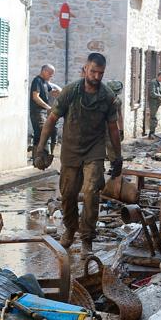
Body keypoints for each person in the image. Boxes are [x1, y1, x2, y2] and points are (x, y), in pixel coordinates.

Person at [34, 53, 122, 256]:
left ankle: (87, 238)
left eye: (101, 73)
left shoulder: (108, 97)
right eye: (93, 71)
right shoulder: (70, 92)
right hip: (71, 149)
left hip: (95, 149)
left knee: (92, 191)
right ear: (85, 69)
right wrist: (41, 148)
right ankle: (70, 229)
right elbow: (51, 120)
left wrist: (117, 156)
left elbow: (113, 128)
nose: (97, 76)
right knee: (69, 194)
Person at [30, 64, 61, 166]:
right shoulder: (37, 81)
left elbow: (52, 92)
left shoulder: (45, 82)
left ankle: (40, 159)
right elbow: (35, 97)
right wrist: (48, 107)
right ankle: (38, 158)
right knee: (43, 132)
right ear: (44, 71)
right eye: (50, 74)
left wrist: (62, 93)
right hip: (37, 112)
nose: (51, 76)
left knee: (44, 133)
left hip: (43, 112)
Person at [146, 71, 161, 136]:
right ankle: (151, 133)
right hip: (153, 103)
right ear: (160, 76)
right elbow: (152, 94)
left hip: (156, 103)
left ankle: (153, 132)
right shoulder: (153, 82)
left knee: (154, 117)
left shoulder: (158, 83)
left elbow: (159, 93)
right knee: (153, 117)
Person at [107, 80, 125, 163]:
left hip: (112, 126)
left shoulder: (118, 101)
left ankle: (114, 165)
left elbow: (119, 115)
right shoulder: (101, 99)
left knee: (112, 146)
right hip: (100, 127)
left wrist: (121, 129)